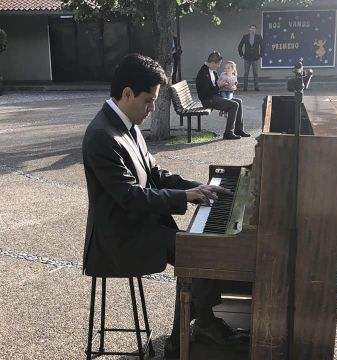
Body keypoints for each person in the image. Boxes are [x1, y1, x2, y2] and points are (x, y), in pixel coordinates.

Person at [82, 53, 246, 359]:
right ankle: (199, 328)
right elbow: (130, 196)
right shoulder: (101, 136)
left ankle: (183, 335)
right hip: (117, 238)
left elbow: (156, 174)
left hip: (138, 224)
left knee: (194, 248)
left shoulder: (126, 123)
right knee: (194, 250)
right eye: (148, 100)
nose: (153, 108)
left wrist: (197, 187)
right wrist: (186, 197)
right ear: (127, 93)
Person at [196, 51, 250, 140]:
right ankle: (228, 132)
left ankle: (238, 129)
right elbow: (207, 93)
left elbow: (217, 87)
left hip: (215, 96)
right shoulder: (203, 74)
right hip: (208, 100)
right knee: (234, 104)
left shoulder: (213, 72)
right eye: (218, 64)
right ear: (213, 63)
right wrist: (219, 86)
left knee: (239, 101)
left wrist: (229, 85)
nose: (219, 66)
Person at [238, 24, 264, 91]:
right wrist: (241, 55)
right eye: (251, 28)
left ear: (255, 30)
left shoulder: (258, 37)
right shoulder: (245, 36)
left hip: (255, 58)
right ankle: (245, 87)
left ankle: (256, 87)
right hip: (247, 58)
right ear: (249, 29)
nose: (252, 29)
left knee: (255, 73)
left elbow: (262, 46)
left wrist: (261, 55)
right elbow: (240, 46)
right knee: (246, 73)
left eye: (254, 28)